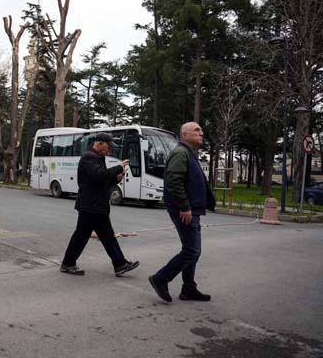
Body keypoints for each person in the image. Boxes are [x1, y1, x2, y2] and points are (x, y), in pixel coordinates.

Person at [149, 122, 215, 303]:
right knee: (192, 251)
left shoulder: (188, 153)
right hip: (185, 210)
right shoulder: (181, 153)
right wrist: (185, 207)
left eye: (201, 130)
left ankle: (188, 289)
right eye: (196, 130)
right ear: (184, 135)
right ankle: (160, 278)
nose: (201, 133)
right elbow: (173, 181)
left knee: (192, 250)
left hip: (191, 209)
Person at [60, 132, 140, 277]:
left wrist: (116, 179)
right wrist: (119, 167)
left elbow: (101, 180)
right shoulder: (88, 157)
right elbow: (98, 175)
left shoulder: (98, 157)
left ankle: (120, 264)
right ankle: (68, 263)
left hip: (97, 206)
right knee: (82, 236)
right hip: (91, 205)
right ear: (100, 143)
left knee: (107, 237)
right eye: (108, 147)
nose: (109, 150)